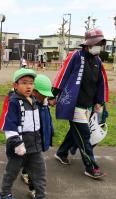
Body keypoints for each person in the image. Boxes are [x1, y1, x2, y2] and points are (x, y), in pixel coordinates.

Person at [51, 28, 109, 179]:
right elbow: (62, 75)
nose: (99, 47)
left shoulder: (98, 61)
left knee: (75, 132)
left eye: (100, 44)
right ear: (88, 44)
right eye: (97, 43)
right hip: (74, 104)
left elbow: (101, 83)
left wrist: (99, 102)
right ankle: (91, 167)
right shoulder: (75, 56)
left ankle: (61, 152)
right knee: (84, 135)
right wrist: (53, 95)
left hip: (88, 106)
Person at [0, 68, 46, 199]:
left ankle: (40, 195)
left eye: (31, 83)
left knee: (39, 173)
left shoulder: (34, 100)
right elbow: (10, 125)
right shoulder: (14, 102)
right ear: (15, 85)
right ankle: (4, 193)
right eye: (24, 82)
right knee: (11, 172)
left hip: (35, 146)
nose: (28, 86)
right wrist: (17, 143)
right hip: (19, 147)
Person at [21, 74, 54, 198]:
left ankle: (25, 171)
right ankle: (33, 188)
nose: (45, 96)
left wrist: (50, 133)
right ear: (34, 92)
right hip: (29, 141)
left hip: (40, 140)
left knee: (30, 164)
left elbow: (47, 121)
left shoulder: (44, 103)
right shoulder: (27, 105)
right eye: (42, 94)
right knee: (35, 168)